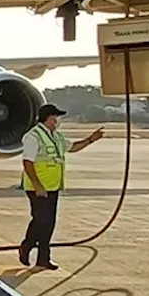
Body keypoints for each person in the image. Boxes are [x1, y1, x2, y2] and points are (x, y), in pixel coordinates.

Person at [19, 104, 104, 270]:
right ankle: (27, 246)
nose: (58, 120)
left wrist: (91, 139)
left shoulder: (56, 136)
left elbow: (72, 147)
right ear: (49, 118)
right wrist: (37, 185)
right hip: (38, 187)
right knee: (41, 220)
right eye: (56, 117)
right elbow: (27, 162)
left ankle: (43, 258)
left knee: (49, 223)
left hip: (53, 186)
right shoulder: (33, 136)